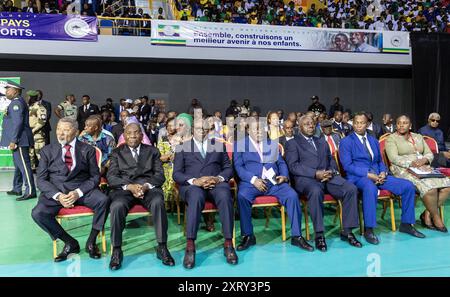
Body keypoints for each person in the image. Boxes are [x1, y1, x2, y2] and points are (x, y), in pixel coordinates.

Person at [339, 112, 425, 245]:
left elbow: (379, 161)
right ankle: (369, 229)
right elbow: (347, 166)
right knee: (370, 187)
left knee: (407, 186)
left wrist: (383, 172)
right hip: (359, 177)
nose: (359, 126)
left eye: (362, 123)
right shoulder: (346, 141)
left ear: (367, 124)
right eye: (356, 123)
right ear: (352, 124)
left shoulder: (373, 140)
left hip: (378, 175)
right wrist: (368, 175)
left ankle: (407, 224)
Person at [31, 118, 109, 262]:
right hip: (57, 191)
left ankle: (91, 241)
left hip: (81, 190)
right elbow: (41, 179)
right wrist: (58, 196)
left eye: (66, 130)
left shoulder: (88, 150)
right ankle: (70, 242)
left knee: (103, 200)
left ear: (76, 132)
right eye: (58, 129)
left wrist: (78, 192)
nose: (60, 133)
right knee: (38, 213)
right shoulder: (47, 151)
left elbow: (95, 177)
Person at [234, 117, 313, 252]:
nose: (259, 132)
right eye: (256, 129)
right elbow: (238, 167)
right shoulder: (240, 144)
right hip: (252, 183)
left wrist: (284, 176)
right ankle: (248, 235)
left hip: (274, 183)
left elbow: (281, 163)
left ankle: (296, 236)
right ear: (248, 130)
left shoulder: (271, 143)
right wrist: (253, 180)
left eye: (262, 129)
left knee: (292, 195)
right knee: (242, 197)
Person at [286, 115, 361, 251]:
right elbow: (293, 166)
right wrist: (315, 173)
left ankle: (347, 231)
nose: (310, 126)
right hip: (307, 179)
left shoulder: (321, 141)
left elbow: (331, 159)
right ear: (299, 127)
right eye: (306, 124)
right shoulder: (292, 143)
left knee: (350, 189)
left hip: (327, 176)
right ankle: (319, 235)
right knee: (315, 191)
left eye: (312, 123)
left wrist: (331, 171)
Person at [107, 123, 175, 270]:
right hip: (125, 189)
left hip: (148, 188)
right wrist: (130, 187)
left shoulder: (152, 151)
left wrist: (145, 186)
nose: (132, 136)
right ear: (124, 136)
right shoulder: (116, 152)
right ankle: (117, 250)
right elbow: (111, 178)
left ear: (142, 135)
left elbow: (159, 176)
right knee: (116, 206)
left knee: (158, 202)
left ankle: (162, 247)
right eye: (129, 133)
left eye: (136, 133)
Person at [173, 118, 237, 269]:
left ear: (210, 131)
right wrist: (195, 180)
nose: (202, 131)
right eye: (199, 128)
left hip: (216, 184)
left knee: (225, 196)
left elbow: (228, 168)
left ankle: (228, 243)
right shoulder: (182, 148)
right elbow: (176, 174)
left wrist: (218, 178)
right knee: (195, 197)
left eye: (205, 129)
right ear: (193, 129)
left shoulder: (218, 146)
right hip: (193, 186)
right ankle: (190, 246)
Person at [385, 115, 450, 232]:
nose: (401, 125)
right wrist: (413, 163)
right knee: (431, 188)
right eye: (399, 123)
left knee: (447, 186)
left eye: (404, 123)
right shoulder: (392, 139)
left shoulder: (418, 137)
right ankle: (436, 218)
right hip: (402, 169)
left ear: (410, 126)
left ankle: (427, 214)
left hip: (423, 166)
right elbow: (394, 158)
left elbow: (429, 153)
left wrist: (424, 161)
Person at [1, 81, 36, 201]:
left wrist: (14, 140)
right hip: (18, 139)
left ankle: (30, 190)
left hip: (19, 140)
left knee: (24, 166)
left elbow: (18, 123)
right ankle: (17, 188)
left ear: (15, 91)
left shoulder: (16, 103)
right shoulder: (16, 102)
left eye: (8, 89)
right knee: (18, 166)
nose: (6, 92)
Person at [157, 118, 181, 209]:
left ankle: (178, 205)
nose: (170, 128)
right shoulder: (163, 139)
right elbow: (160, 157)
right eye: (169, 125)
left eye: (173, 125)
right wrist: (171, 155)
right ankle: (166, 205)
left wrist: (174, 156)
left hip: (179, 167)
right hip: (166, 167)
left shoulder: (182, 140)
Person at [27, 90, 48, 171]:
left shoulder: (40, 107)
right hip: (29, 134)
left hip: (37, 135)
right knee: (30, 153)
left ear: (32, 97)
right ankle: (32, 170)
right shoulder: (29, 107)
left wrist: (33, 130)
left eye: (28, 97)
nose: (27, 98)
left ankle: (45, 172)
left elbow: (42, 121)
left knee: (40, 154)